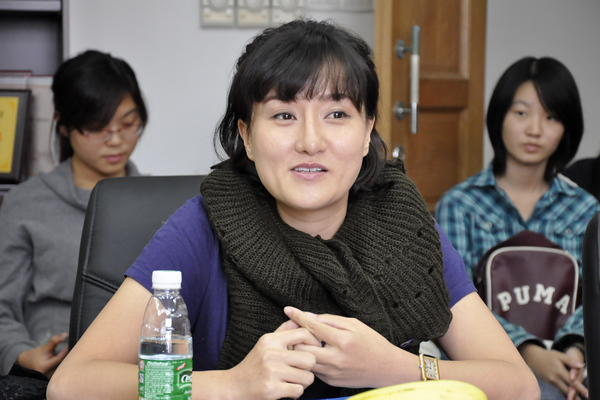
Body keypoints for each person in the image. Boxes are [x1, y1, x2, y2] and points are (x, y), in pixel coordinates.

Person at [47, 20, 539, 400]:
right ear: (246, 136)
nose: (310, 141)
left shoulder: (402, 224)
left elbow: (518, 385)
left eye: (337, 114)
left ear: (367, 131)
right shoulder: (203, 226)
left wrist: (395, 367)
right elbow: (73, 383)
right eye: (283, 115)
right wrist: (229, 385)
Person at [436, 56, 599, 400]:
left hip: (573, 363)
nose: (534, 129)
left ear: (567, 127)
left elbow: (595, 299)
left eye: (551, 117)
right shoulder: (460, 205)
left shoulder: (586, 208)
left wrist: (573, 350)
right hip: (486, 364)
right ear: (500, 116)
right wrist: (530, 353)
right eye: (522, 113)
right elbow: (456, 301)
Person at [0, 50, 147, 377]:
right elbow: (2, 308)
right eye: (96, 128)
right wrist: (22, 355)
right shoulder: (26, 203)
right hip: (51, 373)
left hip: (138, 374)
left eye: (128, 124)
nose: (116, 140)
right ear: (64, 125)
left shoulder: (159, 200)